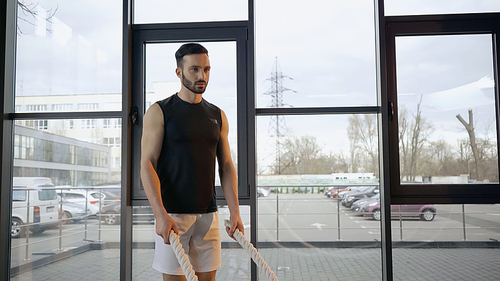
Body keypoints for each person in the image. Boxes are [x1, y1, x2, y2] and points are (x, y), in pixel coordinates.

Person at [140, 43, 244, 281]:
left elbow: (226, 166)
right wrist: (159, 214)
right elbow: (147, 165)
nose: (202, 76)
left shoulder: (217, 115)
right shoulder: (159, 111)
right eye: (194, 69)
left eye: (206, 69)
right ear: (179, 72)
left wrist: (235, 211)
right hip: (173, 215)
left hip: (208, 214)